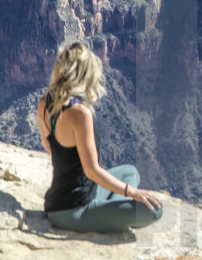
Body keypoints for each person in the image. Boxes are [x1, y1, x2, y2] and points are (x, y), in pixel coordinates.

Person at [37, 41, 163, 232]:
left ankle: (109, 213)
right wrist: (132, 192)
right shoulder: (80, 114)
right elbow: (92, 171)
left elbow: (51, 150)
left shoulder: (45, 102)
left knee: (130, 172)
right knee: (154, 211)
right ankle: (108, 216)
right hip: (74, 211)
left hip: (56, 200)